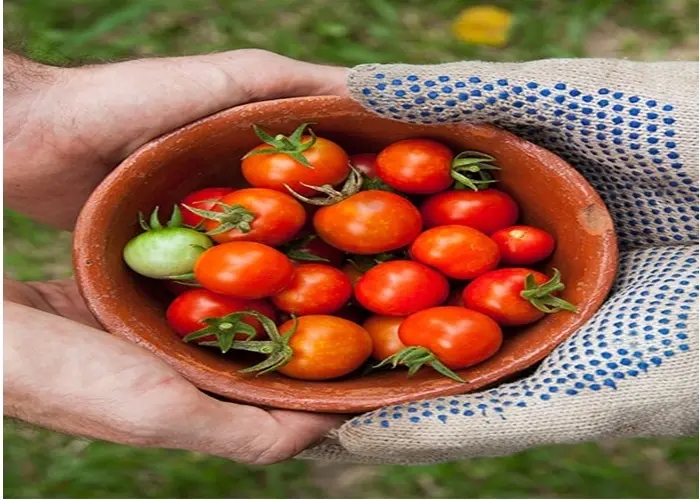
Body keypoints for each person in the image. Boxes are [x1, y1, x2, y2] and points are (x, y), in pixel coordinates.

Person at [5, 49, 697, 466]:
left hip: (400, 287)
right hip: (373, 298)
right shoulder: (272, 267)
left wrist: (26, 112)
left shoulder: (289, 248)